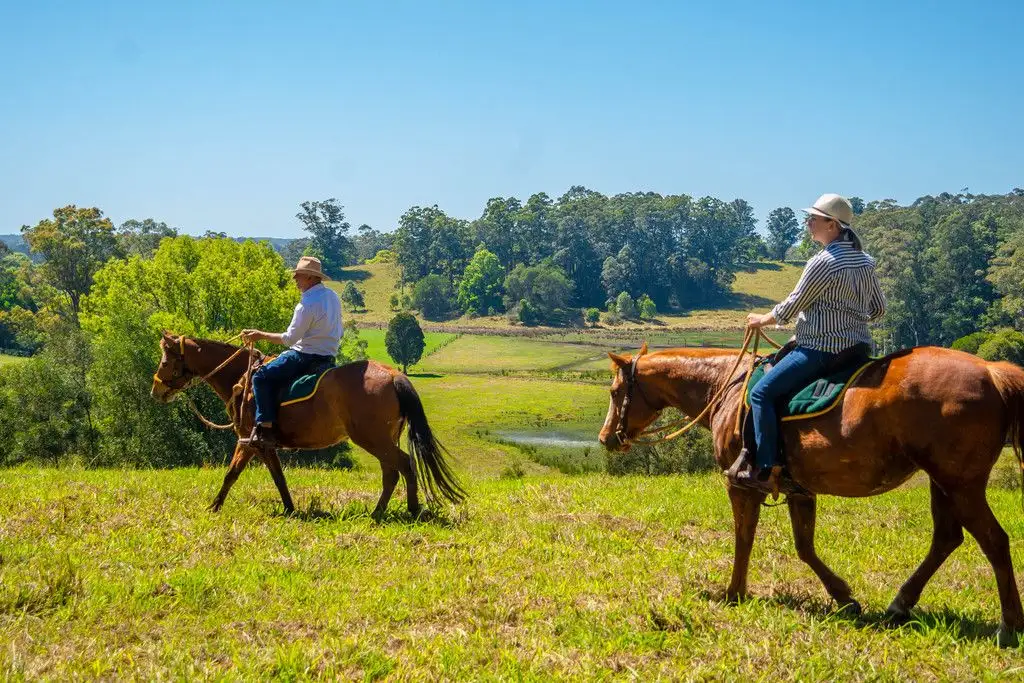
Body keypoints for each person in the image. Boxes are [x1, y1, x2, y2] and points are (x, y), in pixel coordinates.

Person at [730, 193, 886, 493]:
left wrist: (761, 319)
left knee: (761, 393)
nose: (808, 223)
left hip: (821, 351)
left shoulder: (823, 262)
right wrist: (849, 317)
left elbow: (792, 304)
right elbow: (878, 309)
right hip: (857, 349)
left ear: (832, 225)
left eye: (813, 219)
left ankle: (768, 468)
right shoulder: (865, 261)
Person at [238, 255, 343, 449]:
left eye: (298, 275)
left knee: (260, 377)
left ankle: (266, 430)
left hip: (304, 356)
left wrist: (259, 335)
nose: (294, 278)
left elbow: (289, 339)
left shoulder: (306, 305)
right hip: (328, 358)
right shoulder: (333, 297)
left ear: (310, 277)